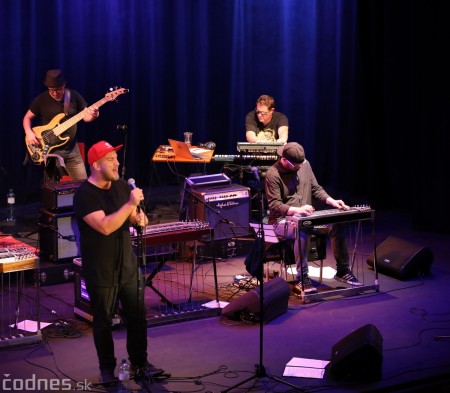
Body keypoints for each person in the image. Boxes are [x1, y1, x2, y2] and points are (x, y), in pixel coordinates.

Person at [73, 141, 165, 383]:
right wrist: (131, 205)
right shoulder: (84, 195)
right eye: (110, 159)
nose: (117, 163)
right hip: (101, 270)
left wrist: (138, 218)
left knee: (137, 317)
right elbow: (105, 226)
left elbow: (131, 217)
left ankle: (140, 364)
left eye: (116, 158)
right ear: (96, 165)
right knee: (103, 322)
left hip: (127, 266)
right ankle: (107, 370)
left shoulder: (123, 186)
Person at [264, 142, 362, 294]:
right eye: (296, 165)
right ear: (284, 160)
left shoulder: (305, 165)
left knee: (336, 224)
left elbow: (316, 188)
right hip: (281, 222)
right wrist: (297, 209)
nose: (300, 168)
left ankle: (342, 271)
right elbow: (274, 204)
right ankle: (302, 279)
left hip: (307, 218)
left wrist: (332, 201)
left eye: (301, 164)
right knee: (301, 228)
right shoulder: (273, 173)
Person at [23, 69, 99, 181]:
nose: (55, 93)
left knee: (82, 185)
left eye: (59, 90)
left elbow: (86, 117)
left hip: (72, 150)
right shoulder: (41, 99)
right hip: (51, 152)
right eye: (51, 90)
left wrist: (94, 114)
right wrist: (29, 133)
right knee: (52, 190)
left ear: (64, 85)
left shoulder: (73, 96)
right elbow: (27, 118)